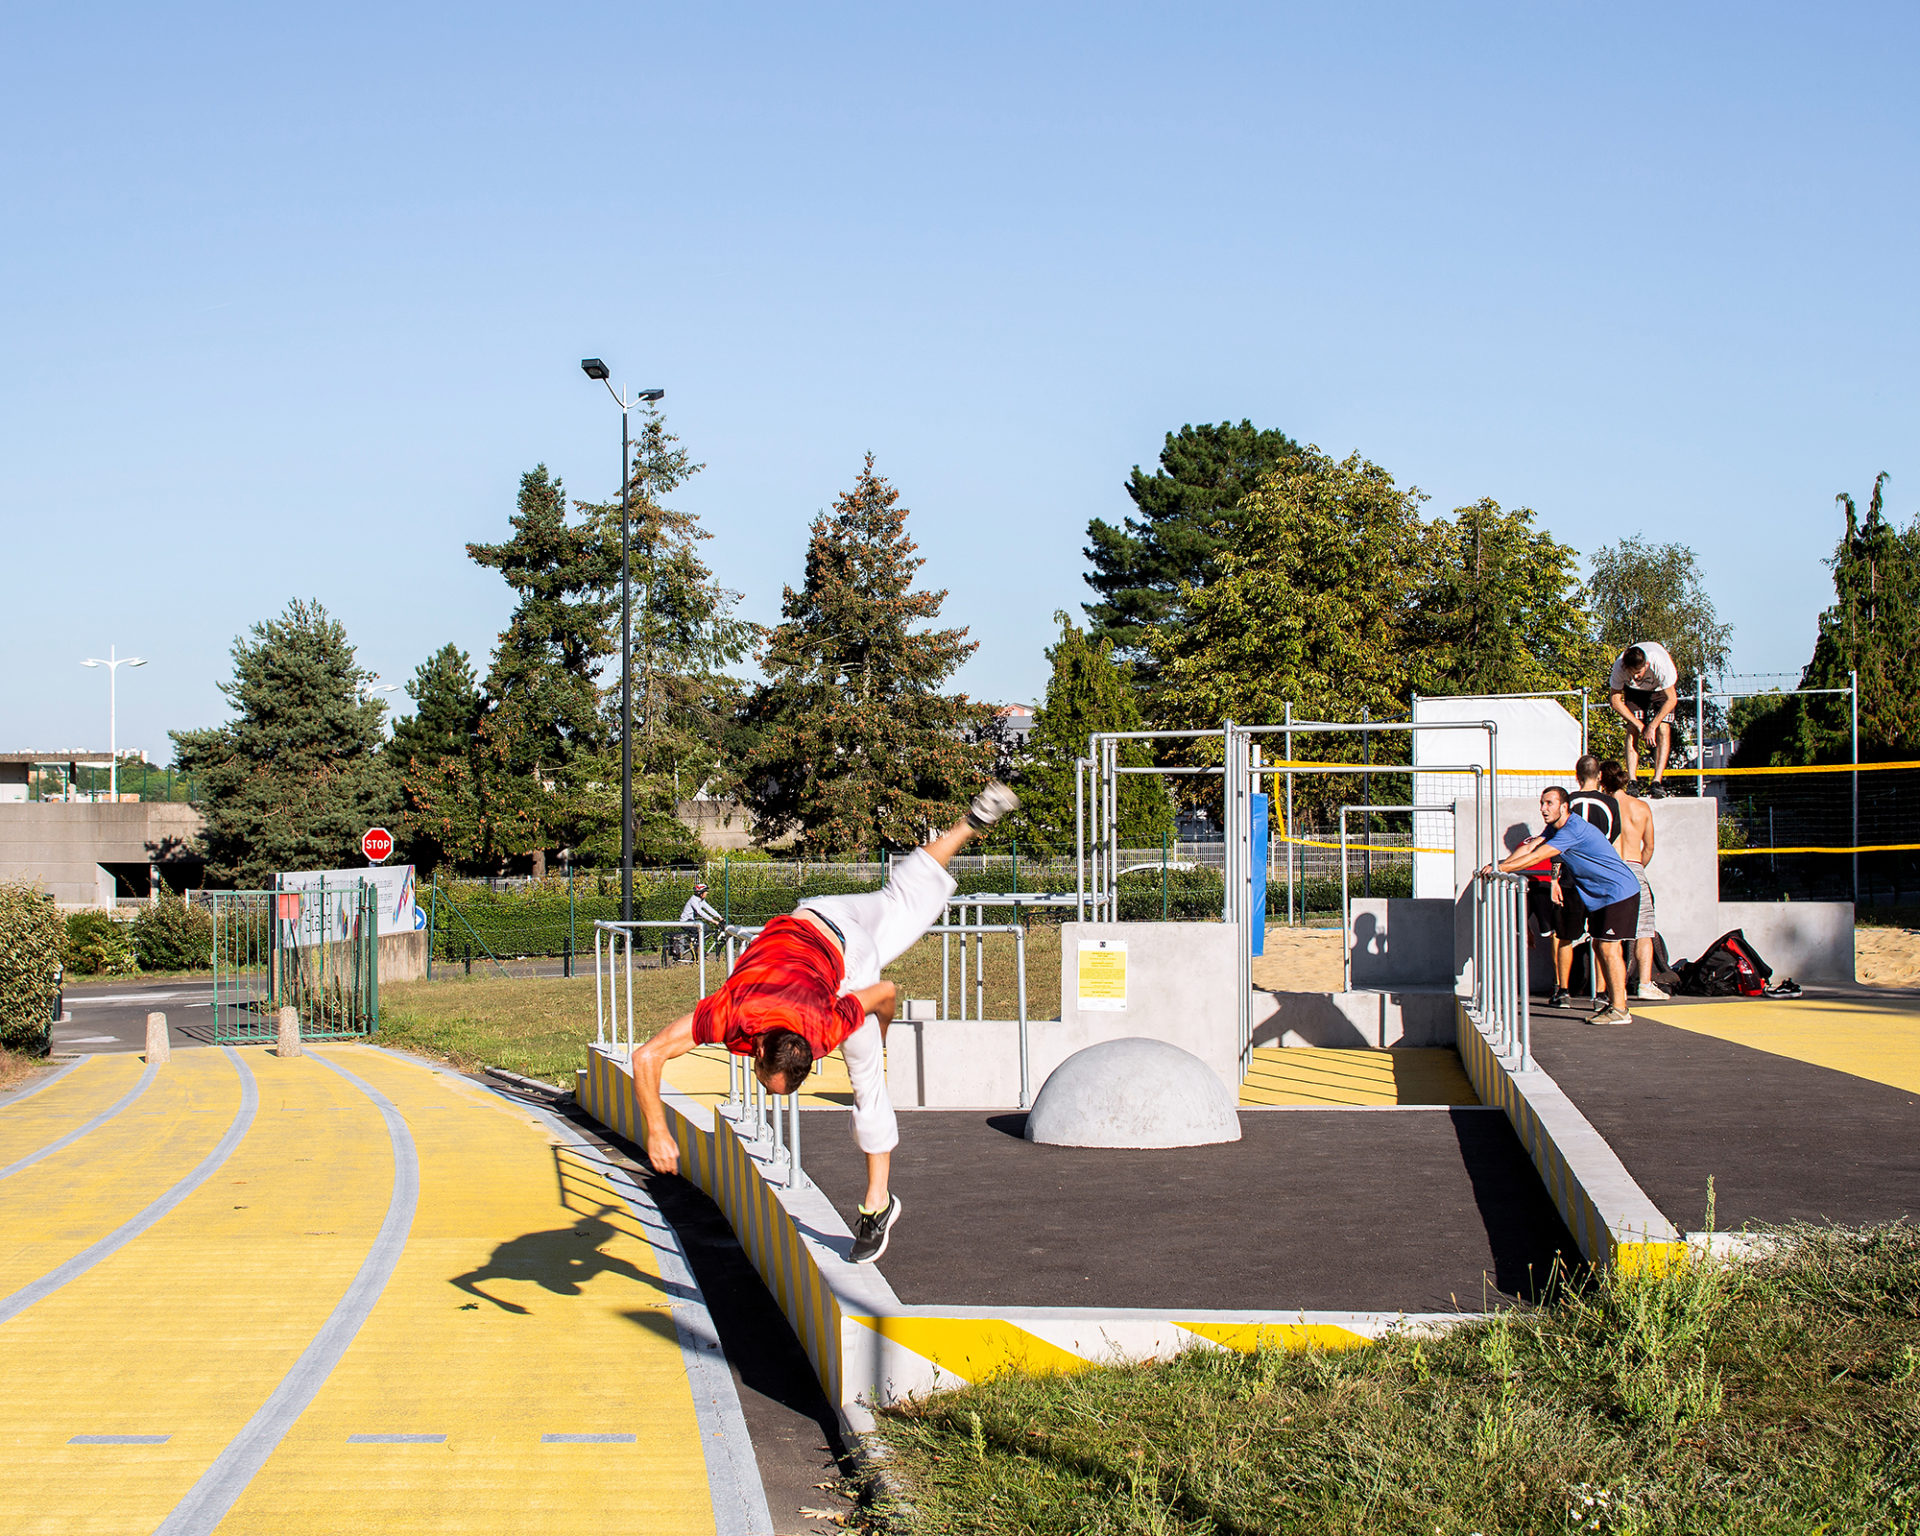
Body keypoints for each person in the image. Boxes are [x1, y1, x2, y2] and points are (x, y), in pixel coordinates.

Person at [632, 782, 1020, 1264]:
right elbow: (646, 1057)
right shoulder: (733, 1012)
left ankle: (878, 1206)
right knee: (901, 892)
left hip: (844, 951)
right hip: (825, 912)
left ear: (803, 1053)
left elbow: (886, 992)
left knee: (867, 1085)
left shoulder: (820, 1025)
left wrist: (877, 1039)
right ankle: (971, 822)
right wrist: (656, 1130)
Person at [1487, 786, 1641, 1025]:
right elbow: (1529, 848)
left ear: (1564, 807)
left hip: (1618, 892)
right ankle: (1614, 1005)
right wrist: (1500, 864)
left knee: (1610, 949)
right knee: (1600, 947)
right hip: (1600, 895)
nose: (1543, 809)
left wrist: (1501, 869)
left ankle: (1620, 1009)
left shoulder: (1572, 830)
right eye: (1541, 803)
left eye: (1549, 803)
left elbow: (1539, 857)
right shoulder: (1554, 828)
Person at [1534, 756, 1621, 1009]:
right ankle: (1602, 993)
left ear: (1576, 775)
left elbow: (1554, 843)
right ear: (1600, 776)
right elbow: (1612, 838)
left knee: (1564, 937)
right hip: (1599, 880)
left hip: (1570, 878)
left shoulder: (1565, 802)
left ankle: (1562, 990)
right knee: (1601, 937)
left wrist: (1554, 879)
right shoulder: (1610, 803)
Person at [1601, 758, 1665, 1000]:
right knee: (1644, 930)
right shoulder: (1641, 807)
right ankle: (1645, 983)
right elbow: (1648, 847)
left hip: (1611, 868)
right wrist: (1637, 866)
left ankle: (1612, 988)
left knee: (1610, 933)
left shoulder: (1604, 806)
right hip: (1635, 868)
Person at [1606, 642, 1680, 796]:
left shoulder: (1660, 664)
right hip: (1635, 692)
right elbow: (1615, 701)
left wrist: (1651, 726)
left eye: (1639, 672)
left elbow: (1671, 699)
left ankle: (1657, 781)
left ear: (1646, 664)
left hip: (1660, 689)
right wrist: (1640, 725)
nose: (1636, 676)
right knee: (1632, 729)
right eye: (1632, 673)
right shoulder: (1619, 667)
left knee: (1663, 728)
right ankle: (1633, 781)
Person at [670, 882, 724, 964]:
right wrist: (713, 921)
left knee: (705, 930)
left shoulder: (701, 900)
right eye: (705, 892)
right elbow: (700, 912)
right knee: (704, 928)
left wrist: (719, 917)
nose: (707, 893)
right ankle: (698, 951)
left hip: (691, 921)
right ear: (701, 893)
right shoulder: (693, 900)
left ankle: (698, 948)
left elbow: (709, 908)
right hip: (685, 922)